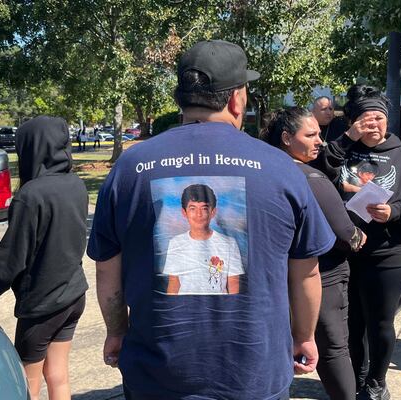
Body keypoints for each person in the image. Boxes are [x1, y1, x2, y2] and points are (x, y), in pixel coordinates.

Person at [87, 39, 335, 400]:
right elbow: (306, 272)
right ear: (236, 98)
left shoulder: (129, 167)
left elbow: (107, 269)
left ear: (182, 98)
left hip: (158, 375)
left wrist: (116, 330)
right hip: (253, 374)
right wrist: (304, 336)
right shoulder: (282, 167)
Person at [315, 85, 401, 399]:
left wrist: (393, 212)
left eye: (379, 119)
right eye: (366, 119)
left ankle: (376, 382)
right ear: (354, 122)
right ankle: (354, 379)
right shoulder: (343, 149)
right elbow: (319, 169)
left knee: (379, 322)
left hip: (388, 253)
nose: (373, 125)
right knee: (351, 322)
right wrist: (347, 138)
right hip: (346, 252)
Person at [0, 116, 89, 400]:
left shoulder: (30, 195)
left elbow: (11, 260)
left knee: (26, 384)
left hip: (42, 305)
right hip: (74, 295)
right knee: (58, 376)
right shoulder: (76, 185)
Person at [261, 107, 367, 400]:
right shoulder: (310, 179)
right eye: (311, 135)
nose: (320, 140)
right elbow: (347, 235)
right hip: (321, 277)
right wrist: (359, 235)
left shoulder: (262, 171)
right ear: (285, 138)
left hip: (272, 276)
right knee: (333, 348)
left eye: (319, 134)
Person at [163, 184, 244, 295]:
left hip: (218, 308)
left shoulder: (229, 243)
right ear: (184, 212)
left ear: (213, 212)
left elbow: (233, 283)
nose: (199, 214)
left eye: (204, 208)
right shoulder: (175, 243)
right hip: (184, 308)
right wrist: (171, 311)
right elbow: (174, 283)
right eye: (192, 208)